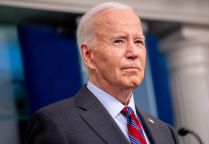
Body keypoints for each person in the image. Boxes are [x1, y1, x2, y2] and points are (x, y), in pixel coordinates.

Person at [25, 2, 179, 144]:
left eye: (138, 41)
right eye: (119, 41)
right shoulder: (56, 123)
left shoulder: (166, 133)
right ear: (88, 55)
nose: (133, 53)